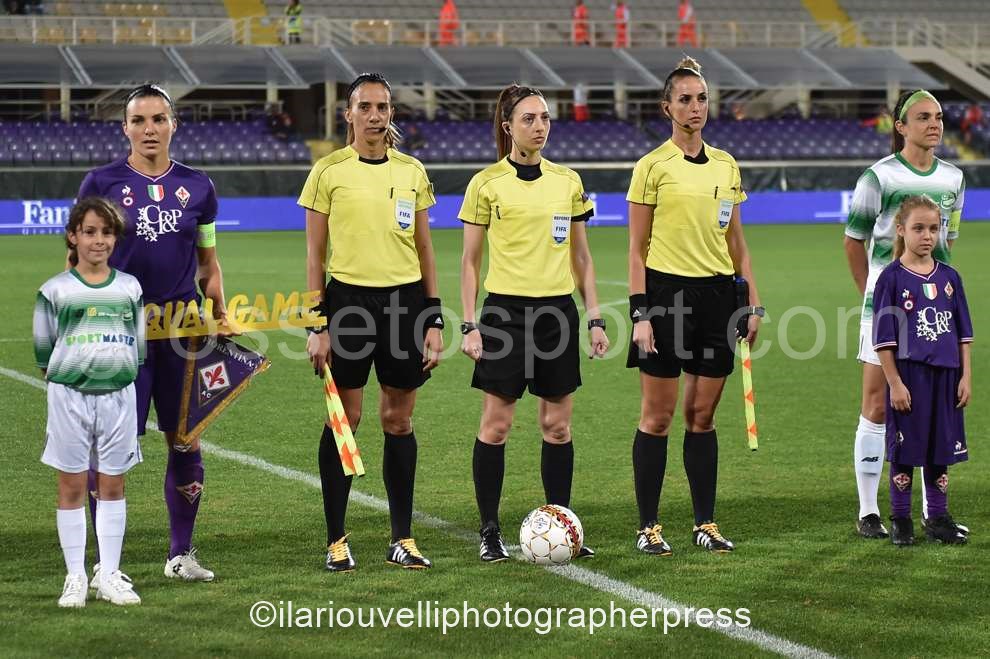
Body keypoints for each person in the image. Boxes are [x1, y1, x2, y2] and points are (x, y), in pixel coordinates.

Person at [77, 83, 227, 583]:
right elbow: (80, 262)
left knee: (185, 441)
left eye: (158, 119)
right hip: (121, 334)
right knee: (112, 448)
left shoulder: (199, 187)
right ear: (125, 128)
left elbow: (208, 262)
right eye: (139, 120)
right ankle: (107, 565)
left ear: (173, 125)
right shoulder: (100, 183)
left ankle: (181, 554)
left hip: (183, 334)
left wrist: (219, 308)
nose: (149, 129)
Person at [299, 72, 443, 572]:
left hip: (405, 303)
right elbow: (314, 255)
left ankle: (402, 538)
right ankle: (336, 539)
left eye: (382, 107)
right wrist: (317, 325)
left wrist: (433, 318)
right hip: (348, 304)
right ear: (349, 114)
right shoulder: (327, 172)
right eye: (365, 107)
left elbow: (425, 250)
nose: (375, 116)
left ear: (391, 114)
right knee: (346, 419)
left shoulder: (412, 171)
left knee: (398, 420)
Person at [459, 83, 609, 562]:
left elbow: (582, 258)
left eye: (544, 117)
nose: (539, 126)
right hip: (504, 316)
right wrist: (469, 324)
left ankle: (562, 525)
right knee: (496, 425)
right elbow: (469, 261)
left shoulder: (568, 182)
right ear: (508, 127)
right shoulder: (486, 184)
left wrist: (595, 318)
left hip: (556, 315)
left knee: (557, 427)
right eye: (528, 118)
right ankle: (489, 530)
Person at [626, 56, 760, 555]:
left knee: (702, 417)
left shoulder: (727, 165)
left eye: (701, 98)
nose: (695, 107)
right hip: (666, 299)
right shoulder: (652, 167)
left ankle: (705, 523)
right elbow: (636, 249)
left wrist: (751, 302)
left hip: (718, 299)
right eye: (684, 99)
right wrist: (640, 313)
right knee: (657, 417)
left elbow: (737, 243)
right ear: (667, 107)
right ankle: (648, 527)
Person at [844, 89, 967, 540]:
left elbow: (949, 245)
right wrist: (874, 299)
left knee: (932, 407)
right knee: (878, 405)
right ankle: (869, 511)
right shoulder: (878, 177)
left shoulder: (954, 178)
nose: (934, 125)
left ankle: (934, 513)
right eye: (923, 117)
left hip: (935, 318)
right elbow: (853, 241)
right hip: (888, 313)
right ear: (900, 126)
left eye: (938, 117)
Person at [34, 197, 144, 607]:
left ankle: (109, 574)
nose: (99, 240)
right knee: (72, 485)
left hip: (119, 396)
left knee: (113, 484)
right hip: (70, 397)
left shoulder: (130, 287)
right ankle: (75, 576)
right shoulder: (54, 291)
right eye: (90, 232)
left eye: (107, 232)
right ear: (73, 236)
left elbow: (138, 349)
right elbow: (44, 356)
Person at [872, 195, 971, 546]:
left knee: (940, 448)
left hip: (947, 376)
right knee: (905, 449)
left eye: (933, 228)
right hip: (909, 377)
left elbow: (963, 334)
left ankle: (938, 518)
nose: (927, 235)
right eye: (918, 228)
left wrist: (966, 376)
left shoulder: (950, 277)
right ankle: (901, 519)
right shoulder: (891, 279)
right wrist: (895, 382)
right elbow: (884, 339)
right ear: (901, 230)